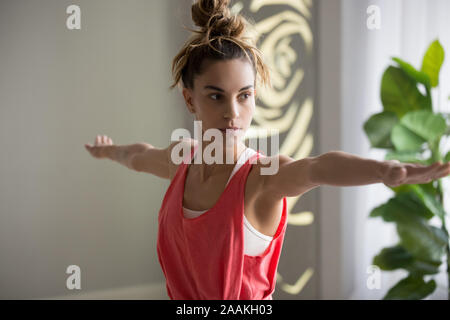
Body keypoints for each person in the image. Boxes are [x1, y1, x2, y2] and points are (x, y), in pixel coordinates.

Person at [84, 0, 450, 300]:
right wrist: (110, 151)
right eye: (216, 96)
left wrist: (383, 171)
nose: (233, 113)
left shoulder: (262, 180)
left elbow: (317, 168)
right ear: (190, 100)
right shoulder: (182, 159)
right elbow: (138, 155)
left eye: (245, 96)